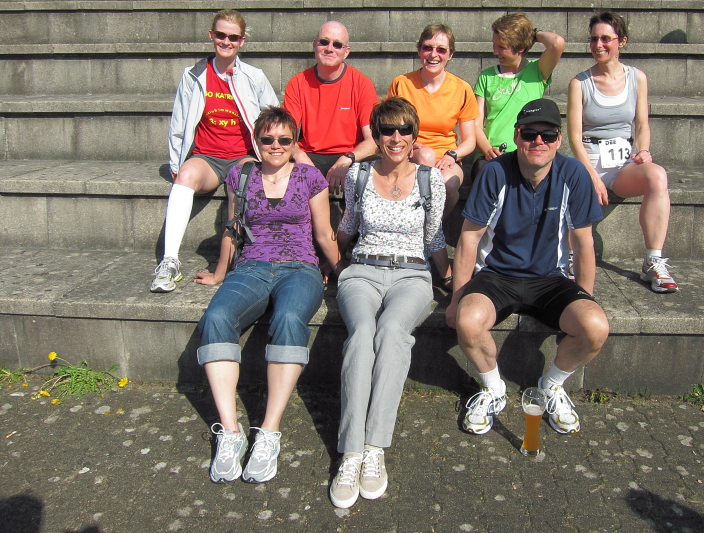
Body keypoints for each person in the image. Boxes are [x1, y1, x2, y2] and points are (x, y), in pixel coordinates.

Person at [193, 107, 342, 484]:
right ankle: (230, 432)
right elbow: (233, 228)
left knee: (289, 319)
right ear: (256, 140)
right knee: (216, 317)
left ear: (295, 142)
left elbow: (324, 234)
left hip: (300, 267)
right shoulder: (241, 175)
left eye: (284, 139)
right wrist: (220, 273)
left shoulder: (310, 177)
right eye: (268, 139)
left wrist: (342, 271)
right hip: (252, 266)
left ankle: (269, 432)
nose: (276, 145)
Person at [445, 98, 609, 437]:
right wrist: (456, 299)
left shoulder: (574, 173)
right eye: (529, 133)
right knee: (467, 320)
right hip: (496, 275)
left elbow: (583, 244)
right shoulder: (495, 172)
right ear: (517, 135)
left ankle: (552, 386)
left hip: (551, 279)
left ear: (559, 139)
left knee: (594, 327)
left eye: (547, 135)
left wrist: (585, 298)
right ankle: (493, 388)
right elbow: (469, 239)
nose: (538, 141)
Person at [329, 97, 451, 508]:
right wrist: (333, 262)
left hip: (412, 275)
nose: (396, 137)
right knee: (362, 332)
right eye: (387, 130)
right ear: (376, 136)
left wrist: (448, 278)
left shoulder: (430, 180)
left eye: (404, 130)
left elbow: (434, 236)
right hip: (363, 270)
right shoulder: (358, 174)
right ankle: (352, 452)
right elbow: (348, 225)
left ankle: (375, 447)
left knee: (392, 331)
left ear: (415, 136)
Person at [151, 9, 279, 293]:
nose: (226, 41)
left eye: (233, 37)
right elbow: (178, 123)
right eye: (221, 35)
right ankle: (169, 261)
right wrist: (176, 164)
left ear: (242, 41)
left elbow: (273, 115)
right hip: (206, 157)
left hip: (242, 155)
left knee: (240, 183)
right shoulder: (194, 74)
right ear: (211, 35)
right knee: (185, 177)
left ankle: (232, 260)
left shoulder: (254, 76)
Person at [566, 11, 679, 293]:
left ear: (622, 41)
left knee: (657, 176)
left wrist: (644, 150)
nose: (598, 45)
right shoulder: (579, 83)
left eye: (606, 39)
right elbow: (575, 137)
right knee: (573, 183)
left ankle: (653, 261)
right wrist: (592, 177)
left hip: (622, 163)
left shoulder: (637, 78)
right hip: (589, 159)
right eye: (594, 39)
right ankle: (568, 259)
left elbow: (641, 125)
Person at [387, 24, 479, 216]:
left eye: (441, 50)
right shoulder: (402, 83)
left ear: (450, 54)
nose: (433, 54)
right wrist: (409, 146)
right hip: (409, 153)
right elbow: (389, 126)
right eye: (428, 47)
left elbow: (470, 140)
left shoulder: (462, 89)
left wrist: (452, 155)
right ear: (419, 50)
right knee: (426, 156)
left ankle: (431, 229)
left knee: (449, 185)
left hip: (446, 157)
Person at [283, 20, 379, 194]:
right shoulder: (297, 83)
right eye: (324, 42)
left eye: (337, 44)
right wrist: (300, 156)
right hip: (310, 155)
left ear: (346, 52)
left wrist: (347, 159)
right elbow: (284, 135)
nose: (329, 48)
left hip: (350, 155)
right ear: (315, 45)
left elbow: (373, 140)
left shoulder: (361, 84)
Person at [472, 13, 565, 179]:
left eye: (501, 47)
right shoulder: (486, 76)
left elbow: (557, 43)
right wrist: (487, 149)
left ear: (520, 47)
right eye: (494, 45)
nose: (495, 51)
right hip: (492, 153)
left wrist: (532, 35)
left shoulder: (537, 71)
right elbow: (476, 123)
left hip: (529, 150)